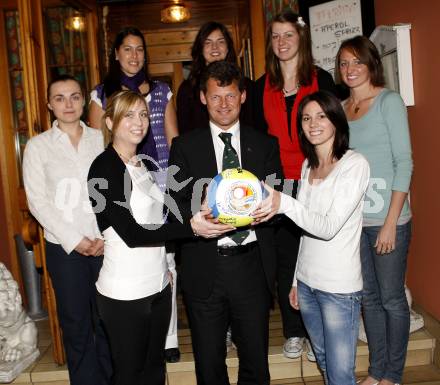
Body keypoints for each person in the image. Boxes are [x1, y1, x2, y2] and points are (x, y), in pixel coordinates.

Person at [87, 90, 232, 385]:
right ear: (111, 123)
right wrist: (192, 228)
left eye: (143, 114)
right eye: (129, 115)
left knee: (155, 371)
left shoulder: (141, 164)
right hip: (124, 293)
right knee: (129, 375)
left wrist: (201, 208)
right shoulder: (103, 168)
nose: (139, 121)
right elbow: (132, 232)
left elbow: (166, 211)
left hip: (158, 287)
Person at [168, 60, 283, 385]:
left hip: (251, 266)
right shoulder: (184, 146)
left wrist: (268, 207)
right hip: (204, 267)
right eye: (215, 96)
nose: (223, 104)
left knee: (256, 364)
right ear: (203, 98)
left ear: (243, 96)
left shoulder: (265, 144)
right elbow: (173, 204)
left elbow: (281, 200)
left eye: (230, 96)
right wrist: (196, 213)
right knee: (208, 365)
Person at [253, 91, 370, 385]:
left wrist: (284, 202)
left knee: (341, 375)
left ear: (336, 120)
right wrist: (296, 280)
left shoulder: (355, 165)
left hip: (338, 288)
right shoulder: (308, 165)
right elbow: (305, 230)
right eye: (306, 118)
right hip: (307, 284)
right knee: (325, 363)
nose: (313, 123)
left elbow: (327, 227)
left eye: (321, 115)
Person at [88, 26, 181, 362]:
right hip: (123, 286)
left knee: (165, 263)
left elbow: (173, 139)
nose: (134, 55)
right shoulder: (102, 95)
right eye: (126, 49)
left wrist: (178, 189)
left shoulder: (160, 91)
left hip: (154, 177)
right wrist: (193, 228)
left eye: (140, 49)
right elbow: (93, 149)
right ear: (116, 54)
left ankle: (169, 339)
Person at [254, 9, 337, 361]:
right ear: (270, 43)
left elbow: (338, 129)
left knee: (318, 256)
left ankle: (318, 332)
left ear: (300, 39)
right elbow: (256, 140)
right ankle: (293, 331)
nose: (282, 42)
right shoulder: (259, 87)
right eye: (276, 36)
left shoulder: (323, 80)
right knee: (285, 259)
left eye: (289, 34)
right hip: (278, 183)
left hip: (316, 177)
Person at [22, 75, 112, 385]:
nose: (68, 104)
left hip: (105, 245)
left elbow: (114, 191)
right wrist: (77, 241)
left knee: (107, 321)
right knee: (76, 325)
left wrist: (105, 236)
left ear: (84, 100)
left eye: (74, 96)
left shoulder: (102, 139)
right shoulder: (37, 147)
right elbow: (38, 202)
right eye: (60, 98)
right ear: (49, 105)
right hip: (64, 249)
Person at [336, 35, 413, 385]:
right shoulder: (339, 108)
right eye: (344, 63)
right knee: (368, 298)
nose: (350, 69)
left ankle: (392, 375)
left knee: (392, 298)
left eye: (357, 62)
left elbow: (404, 163)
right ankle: (377, 370)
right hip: (355, 220)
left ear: (371, 65)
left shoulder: (389, 102)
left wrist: (391, 222)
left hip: (388, 219)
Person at [176, 21, 254, 134]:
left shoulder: (247, 85)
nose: (215, 47)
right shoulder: (187, 89)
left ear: (228, 48)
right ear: (201, 49)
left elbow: (254, 127)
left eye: (221, 42)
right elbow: (184, 132)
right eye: (208, 43)